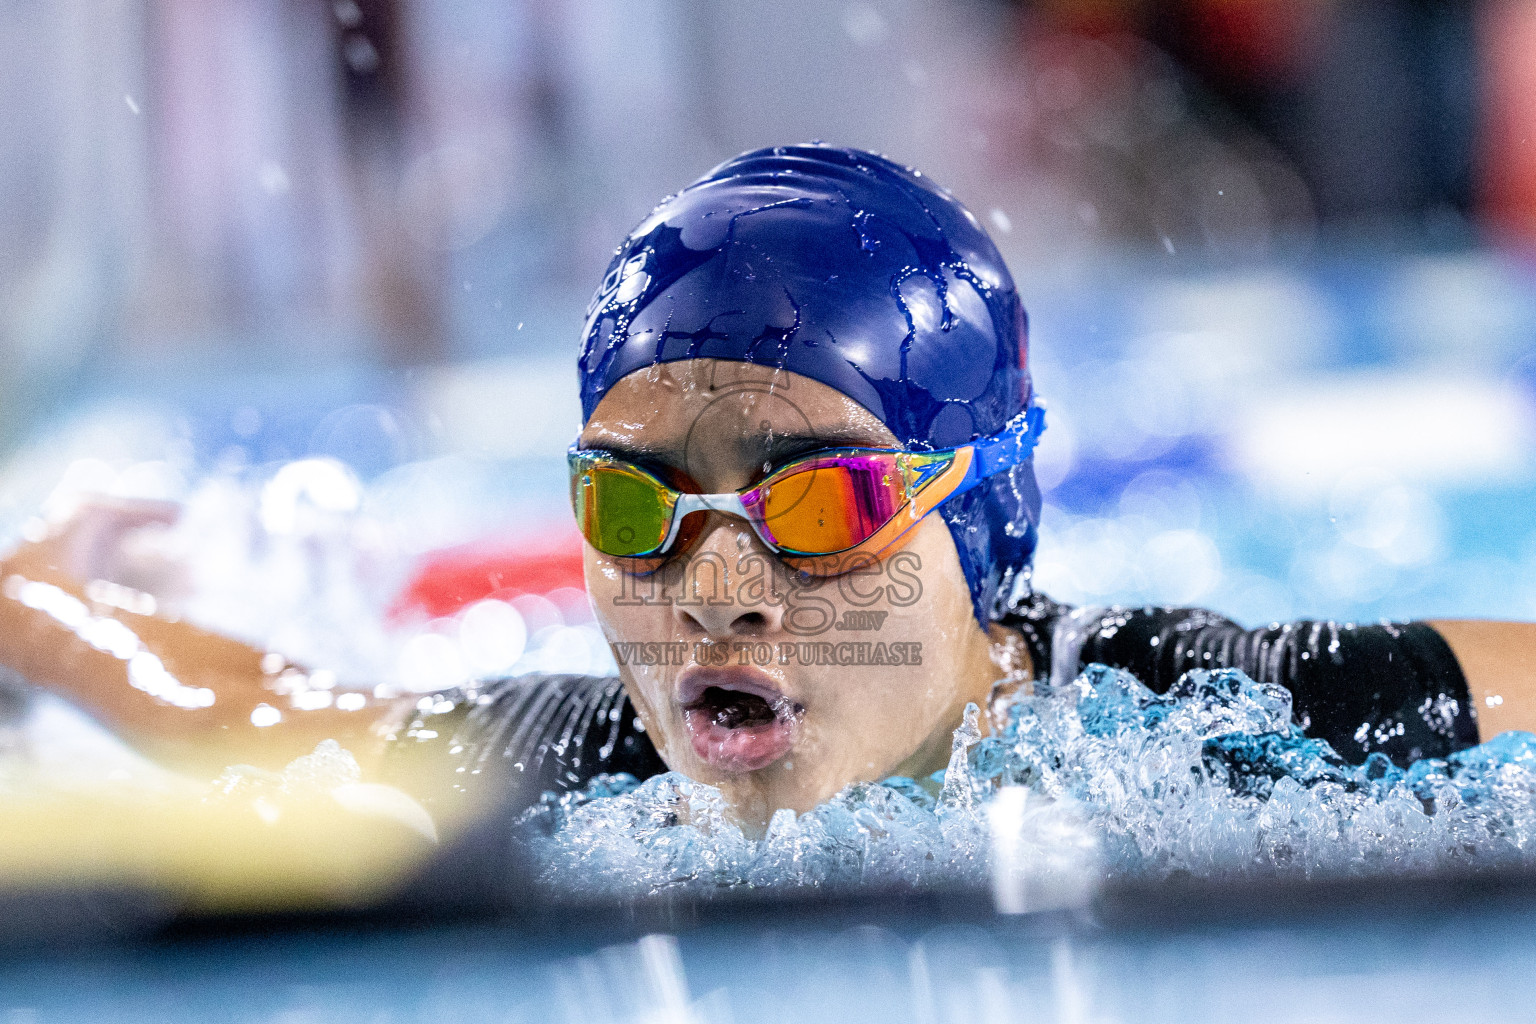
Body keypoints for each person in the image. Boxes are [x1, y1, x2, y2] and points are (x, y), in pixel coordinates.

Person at [2, 144, 1533, 834]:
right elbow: (263, 721)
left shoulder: (1212, 719)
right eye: (634, 508)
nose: (717, 589)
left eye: (815, 503)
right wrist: (39, 598)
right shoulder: (584, 772)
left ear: (976, 525)